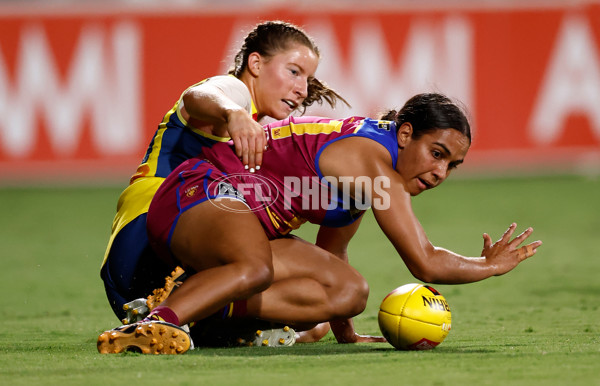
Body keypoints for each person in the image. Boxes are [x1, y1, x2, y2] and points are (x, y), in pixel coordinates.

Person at [97, 93, 542, 354]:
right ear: (405, 134)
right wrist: (489, 266)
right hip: (198, 193)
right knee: (255, 268)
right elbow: (425, 264)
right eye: (437, 153)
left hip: (237, 226)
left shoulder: (372, 175)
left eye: (453, 165)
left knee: (349, 293)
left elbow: (334, 255)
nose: (440, 172)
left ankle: (200, 306)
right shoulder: (372, 162)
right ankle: (152, 324)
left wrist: (344, 327)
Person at [99, 20, 349, 321]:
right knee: (296, 289)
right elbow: (199, 95)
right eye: (294, 71)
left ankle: (198, 318)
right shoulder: (236, 94)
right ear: (255, 63)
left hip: (141, 269)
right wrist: (232, 113)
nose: (301, 89)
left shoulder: (257, 129)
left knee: (314, 317)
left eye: (308, 78)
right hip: (146, 242)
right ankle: (179, 310)